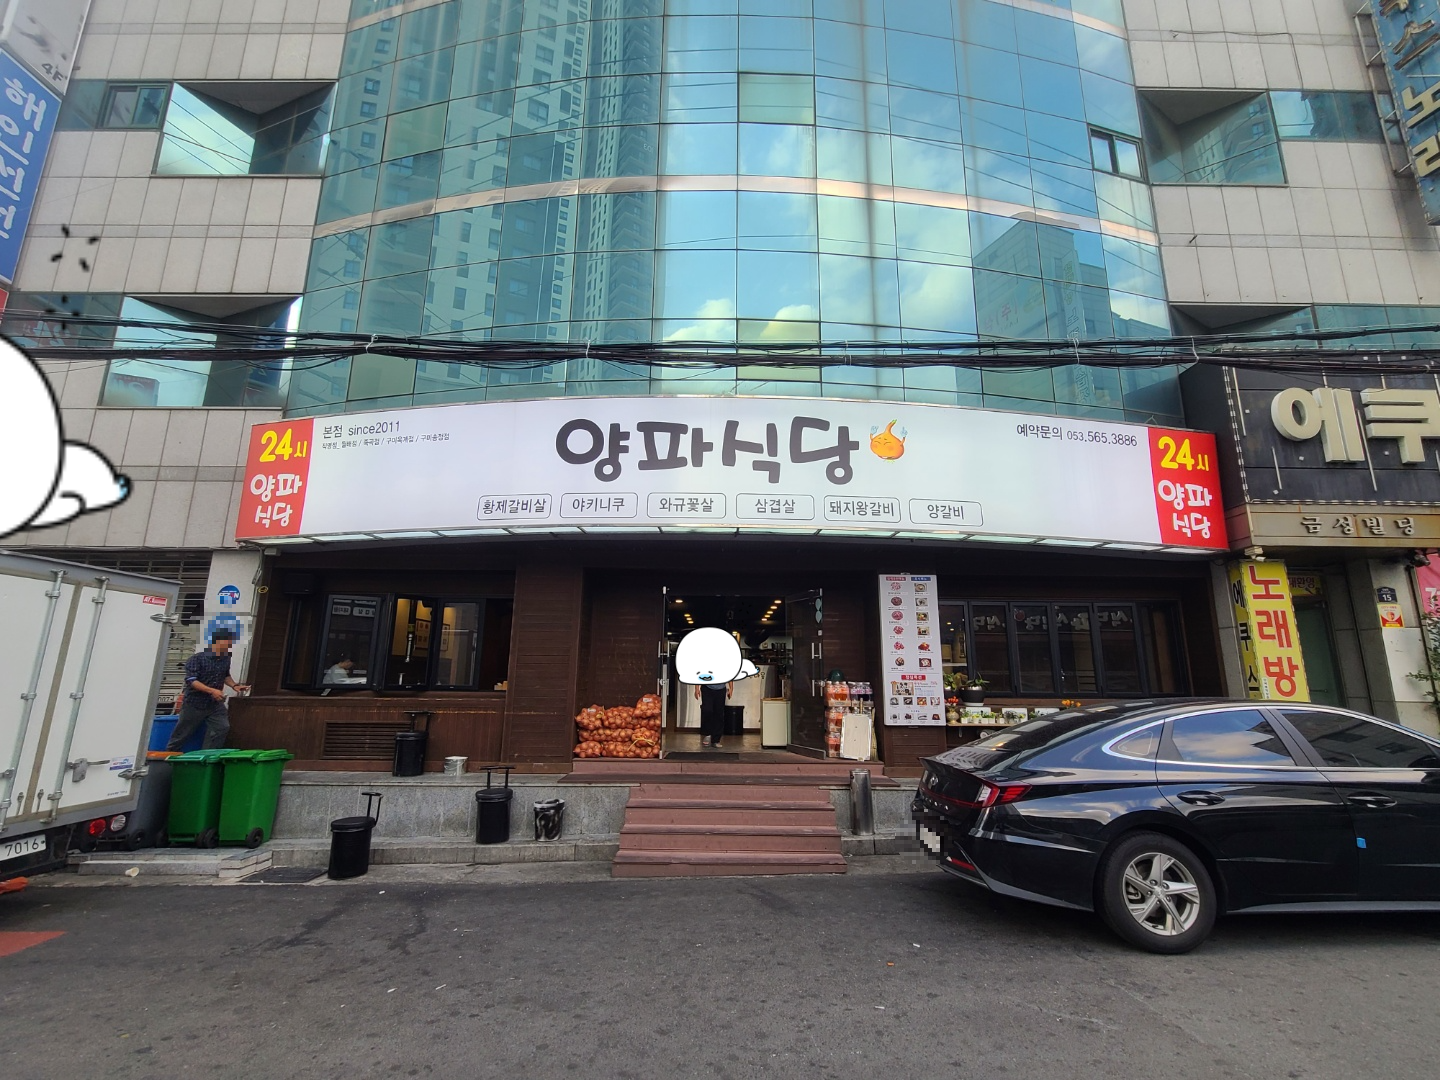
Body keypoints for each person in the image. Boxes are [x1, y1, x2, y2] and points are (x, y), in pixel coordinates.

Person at [167, 630, 250, 751]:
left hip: (215, 703)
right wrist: (212, 691)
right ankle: (169, 755)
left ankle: (207, 755)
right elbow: (191, 680)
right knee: (183, 733)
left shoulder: (226, 658)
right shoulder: (197, 659)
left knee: (222, 728)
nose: (228, 647)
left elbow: (225, 675)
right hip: (195, 703)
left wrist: (235, 686)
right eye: (226, 644)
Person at [694, 678, 732, 749]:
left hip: (721, 689)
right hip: (707, 687)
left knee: (719, 714)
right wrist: (696, 688)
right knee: (707, 710)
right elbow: (700, 673)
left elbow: (730, 674)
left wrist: (731, 688)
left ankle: (716, 740)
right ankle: (707, 734)